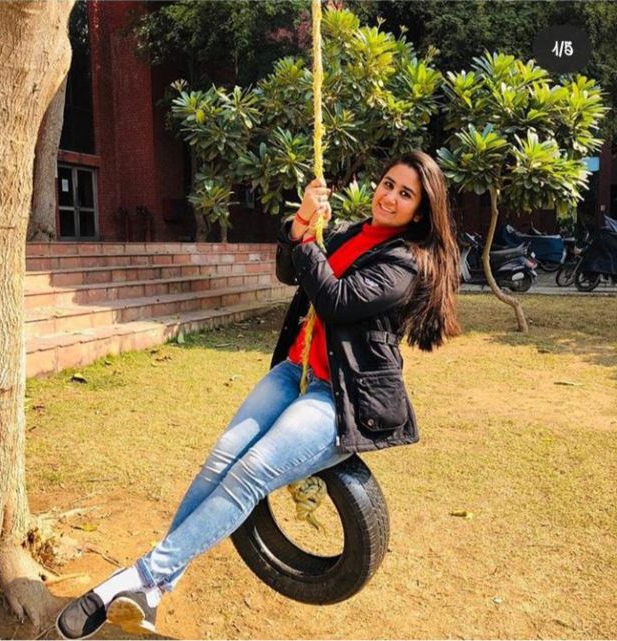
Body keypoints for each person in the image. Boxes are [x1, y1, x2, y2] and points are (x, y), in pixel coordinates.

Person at [56, 151, 460, 639]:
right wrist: (300, 225)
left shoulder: (405, 262)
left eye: (405, 194)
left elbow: (335, 301)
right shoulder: (349, 233)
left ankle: (135, 578)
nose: (389, 196)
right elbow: (292, 273)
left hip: (340, 396)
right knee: (220, 460)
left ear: (419, 212)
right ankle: (153, 591)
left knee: (251, 472)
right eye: (388, 184)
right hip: (295, 371)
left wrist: (307, 239)